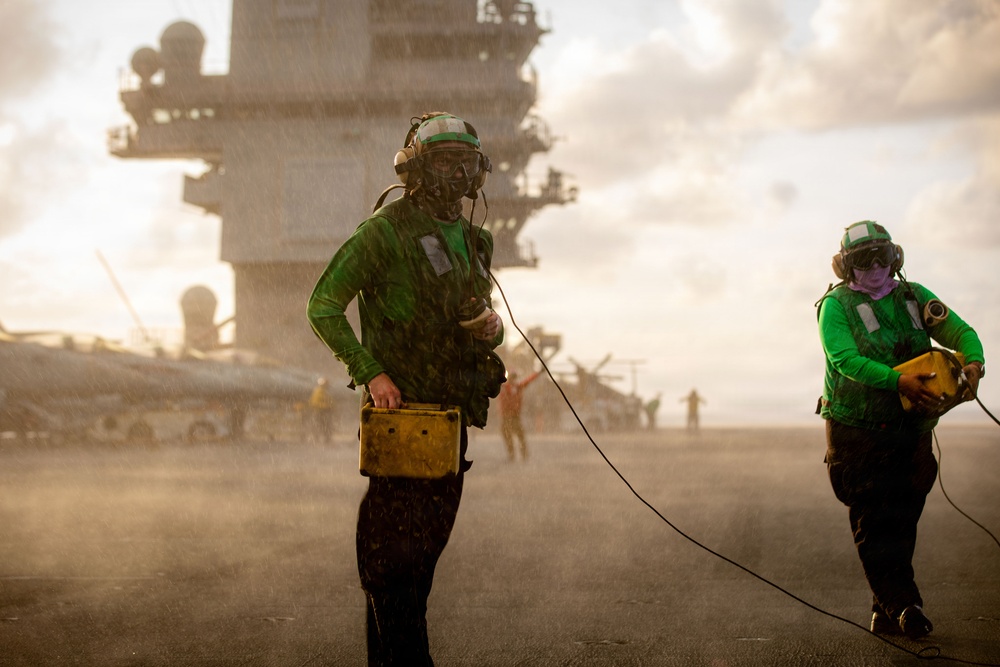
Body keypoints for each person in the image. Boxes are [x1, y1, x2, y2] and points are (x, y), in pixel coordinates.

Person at [307, 112, 505, 666]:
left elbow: (486, 322)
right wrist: (371, 371)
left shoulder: (476, 241)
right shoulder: (383, 232)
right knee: (394, 569)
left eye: (464, 164)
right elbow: (322, 306)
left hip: (450, 424)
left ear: (478, 174)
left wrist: (491, 327)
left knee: (417, 572)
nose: (455, 175)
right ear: (415, 168)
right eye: (443, 162)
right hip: (402, 421)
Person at [816, 220, 985, 639]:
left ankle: (885, 611)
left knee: (903, 518)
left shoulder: (914, 296)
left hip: (911, 430)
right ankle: (905, 606)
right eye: (863, 260)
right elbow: (845, 360)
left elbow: (960, 332)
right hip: (857, 431)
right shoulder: (835, 308)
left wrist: (974, 362)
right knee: (874, 519)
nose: (875, 267)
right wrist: (898, 381)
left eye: (882, 257)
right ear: (844, 266)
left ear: (896, 257)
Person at [498, 369, 541, 461]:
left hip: (510, 417)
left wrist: (538, 373)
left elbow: (529, 380)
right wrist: (538, 373)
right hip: (511, 416)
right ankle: (519, 454)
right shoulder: (515, 387)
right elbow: (529, 380)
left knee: (511, 436)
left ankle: (515, 455)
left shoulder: (507, 387)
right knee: (516, 436)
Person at [308, 377, 335, 444]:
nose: (328, 386)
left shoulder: (324, 392)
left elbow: (330, 401)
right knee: (321, 426)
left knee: (324, 426)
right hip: (320, 412)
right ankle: (318, 439)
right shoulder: (319, 392)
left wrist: (330, 406)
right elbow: (315, 403)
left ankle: (324, 439)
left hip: (323, 412)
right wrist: (327, 406)